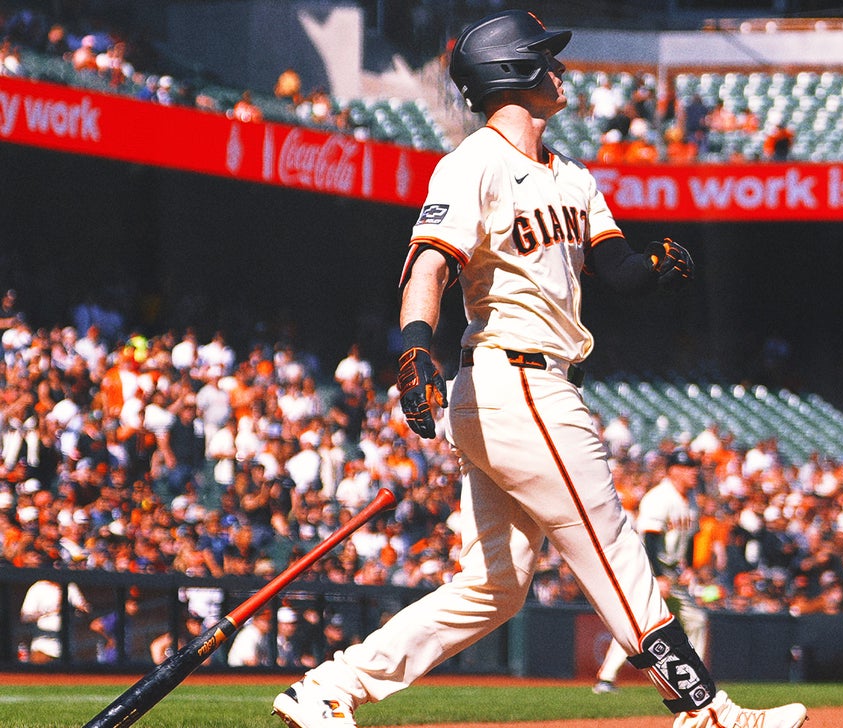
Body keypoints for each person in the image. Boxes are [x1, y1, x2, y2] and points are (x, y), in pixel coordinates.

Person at [271, 11, 806, 728]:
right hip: (514, 381)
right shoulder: (473, 164)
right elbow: (429, 263)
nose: (561, 71)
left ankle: (327, 691)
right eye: (546, 61)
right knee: (611, 544)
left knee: (493, 588)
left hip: (523, 386)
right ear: (513, 72)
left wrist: (652, 268)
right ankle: (706, 713)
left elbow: (613, 268)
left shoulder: (574, 177)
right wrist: (415, 345)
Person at [594, 449, 708, 694]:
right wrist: (658, 576)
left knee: (696, 620)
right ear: (673, 470)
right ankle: (606, 678)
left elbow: (690, 539)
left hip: (672, 571)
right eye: (688, 467)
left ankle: (693, 679)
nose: (694, 471)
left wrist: (688, 567)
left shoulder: (692, 500)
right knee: (637, 624)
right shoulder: (660, 497)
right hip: (649, 567)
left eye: (694, 466)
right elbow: (650, 539)